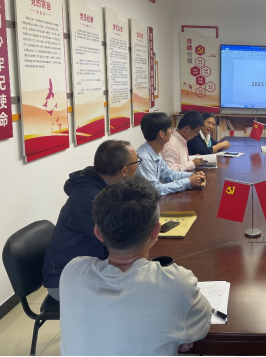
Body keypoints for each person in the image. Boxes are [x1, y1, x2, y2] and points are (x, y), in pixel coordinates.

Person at [60, 177, 212, 355]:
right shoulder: (177, 282)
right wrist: (177, 337)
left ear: (98, 233)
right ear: (156, 232)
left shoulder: (72, 272)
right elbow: (201, 327)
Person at [42, 140, 139, 302]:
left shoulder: (103, 184)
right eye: (137, 162)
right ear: (124, 170)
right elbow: (118, 243)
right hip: (65, 281)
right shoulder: (90, 200)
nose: (138, 166)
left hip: (90, 266)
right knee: (132, 296)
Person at [136, 112, 205, 196]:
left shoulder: (155, 152)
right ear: (161, 133)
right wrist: (188, 182)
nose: (171, 131)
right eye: (169, 128)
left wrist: (191, 175)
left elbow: (168, 174)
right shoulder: (144, 159)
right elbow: (156, 190)